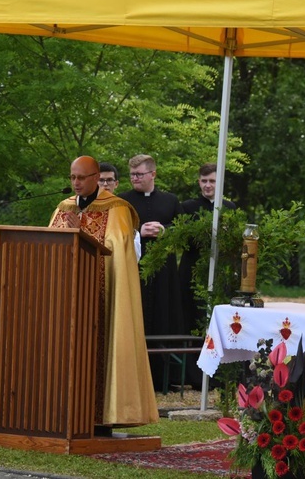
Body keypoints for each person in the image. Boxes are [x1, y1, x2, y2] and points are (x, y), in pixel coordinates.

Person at [49, 156, 158, 428]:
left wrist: (81, 231)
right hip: (70, 297)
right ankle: (65, 413)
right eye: (72, 177)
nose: (75, 182)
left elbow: (116, 248)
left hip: (104, 298)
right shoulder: (63, 207)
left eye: (82, 177)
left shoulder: (118, 208)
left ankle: (105, 417)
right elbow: (50, 243)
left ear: (97, 177)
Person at [119, 154, 183, 390]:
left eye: (139, 174)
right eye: (132, 175)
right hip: (134, 268)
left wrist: (164, 231)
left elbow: (182, 230)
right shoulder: (122, 201)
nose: (135, 178)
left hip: (164, 272)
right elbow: (114, 233)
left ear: (153, 174)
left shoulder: (170, 200)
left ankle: (165, 378)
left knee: (163, 317)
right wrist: (138, 232)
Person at [179, 163, 236, 388]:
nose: (207, 185)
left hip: (220, 271)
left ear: (219, 182)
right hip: (192, 271)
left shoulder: (230, 208)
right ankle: (194, 377)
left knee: (217, 320)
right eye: (204, 181)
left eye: (212, 181)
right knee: (193, 318)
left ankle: (220, 375)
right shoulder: (187, 207)